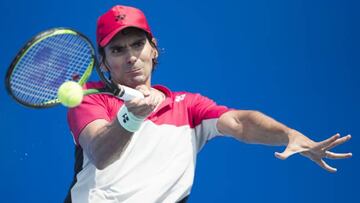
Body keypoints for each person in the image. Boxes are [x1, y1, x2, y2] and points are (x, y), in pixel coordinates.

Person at [64, 5, 352, 203]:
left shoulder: (188, 107)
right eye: (117, 49)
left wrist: (287, 134)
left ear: (153, 49)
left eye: (138, 44)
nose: (130, 57)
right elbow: (100, 153)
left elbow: (241, 122)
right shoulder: (90, 96)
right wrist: (131, 116)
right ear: (103, 61)